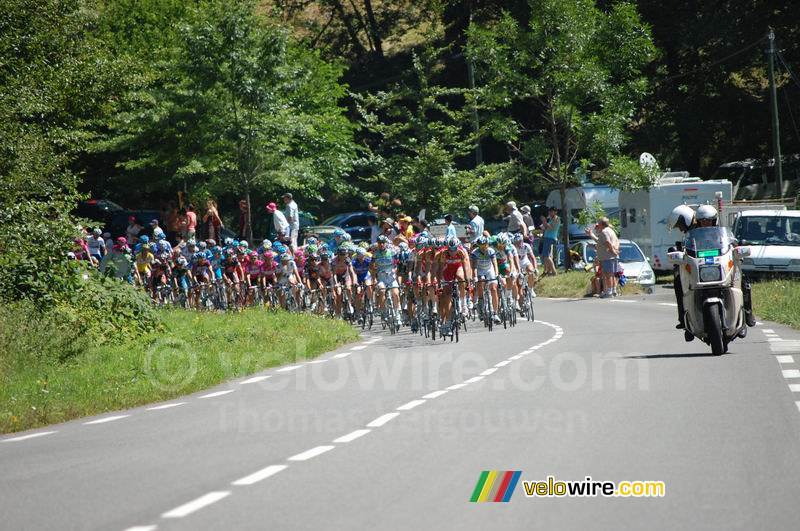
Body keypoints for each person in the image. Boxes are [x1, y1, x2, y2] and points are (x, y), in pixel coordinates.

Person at [586, 217, 620, 298]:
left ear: (601, 224)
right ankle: (613, 291)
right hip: (611, 256)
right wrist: (591, 234)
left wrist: (613, 251)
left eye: (598, 223)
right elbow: (616, 241)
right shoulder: (610, 230)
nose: (597, 224)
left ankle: (609, 292)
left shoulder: (604, 232)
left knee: (608, 274)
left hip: (608, 257)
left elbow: (607, 242)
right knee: (611, 274)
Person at [540, 206, 561, 276]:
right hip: (547, 238)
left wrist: (544, 221)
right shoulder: (551, 219)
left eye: (551, 211)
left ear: (555, 212)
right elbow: (547, 227)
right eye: (549, 211)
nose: (550, 213)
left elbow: (552, 228)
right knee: (547, 256)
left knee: (547, 256)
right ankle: (547, 271)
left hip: (550, 238)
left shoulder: (557, 219)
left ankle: (554, 272)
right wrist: (544, 225)